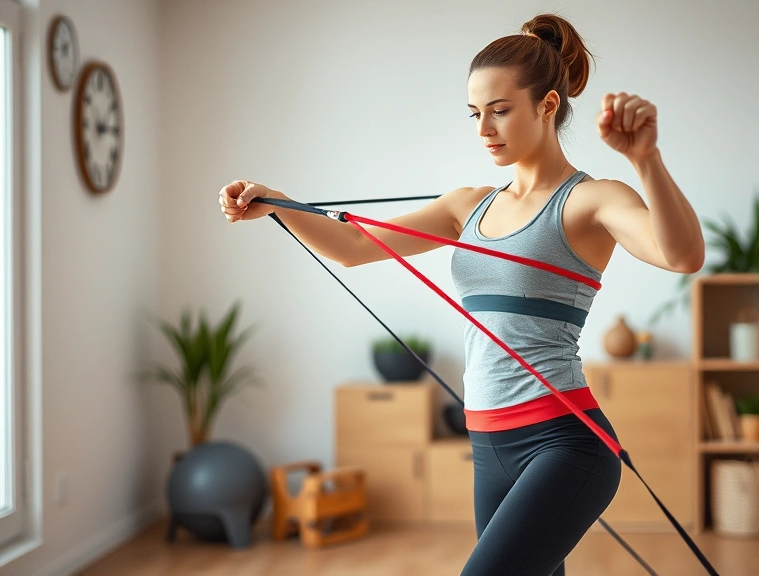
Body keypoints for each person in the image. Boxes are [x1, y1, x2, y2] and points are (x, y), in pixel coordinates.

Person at [219, 12, 703, 576]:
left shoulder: (590, 201)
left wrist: (645, 160)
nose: (484, 129)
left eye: (500, 110)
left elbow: (681, 255)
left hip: (564, 444)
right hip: (487, 444)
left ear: (547, 105)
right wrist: (279, 202)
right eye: (476, 113)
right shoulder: (467, 205)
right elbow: (353, 245)